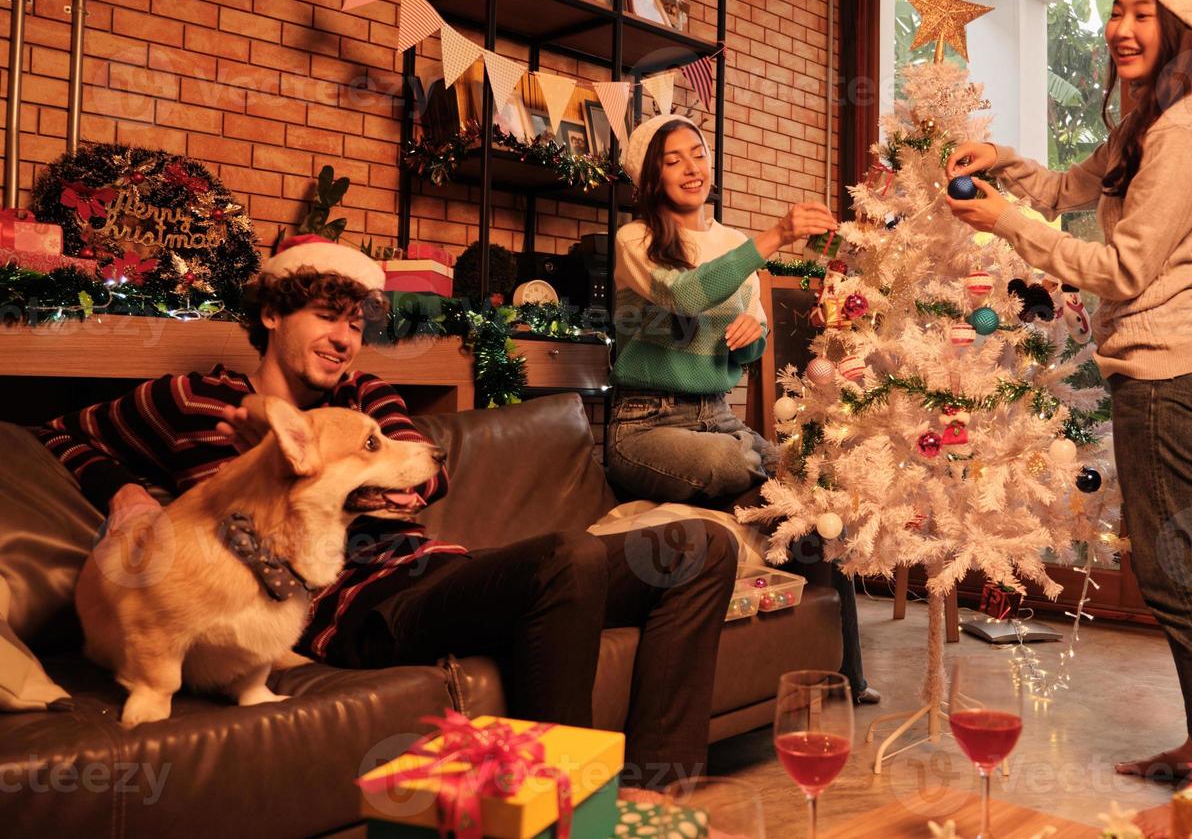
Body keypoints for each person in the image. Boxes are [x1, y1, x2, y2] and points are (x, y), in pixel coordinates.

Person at [34, 236, 736, 786]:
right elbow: (58, 431)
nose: (344, 339)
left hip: (435, 571)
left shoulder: (366, 395)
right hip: (358, 610)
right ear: (272, 313)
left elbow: (427, 471)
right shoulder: (193, 399)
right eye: (326, 317)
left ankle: (654, 791)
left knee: (700, 548)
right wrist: (126, 495)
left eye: (355, 324)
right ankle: (562, 802)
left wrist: (371, 473)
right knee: (569, 557)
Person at [944, 0, 1192, 776]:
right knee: (1171, 565)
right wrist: (1003, 167)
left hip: (1170, 370)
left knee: (1174, 571)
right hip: (1159, 368)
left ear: (1183, 26)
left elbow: (1122, 269)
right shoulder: (1147, 122)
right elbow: (1067, 189)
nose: (1119, 26)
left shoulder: (1185, 132)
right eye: (1117, 9)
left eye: (1141, 12)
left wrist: (1006, 225)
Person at [607, 113, 880, 704]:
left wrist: (753, 330)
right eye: (672, 159)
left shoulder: (734, 245)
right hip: (646, 425)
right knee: (734, 464)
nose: (690, 167)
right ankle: (765, 473)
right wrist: (775, 236)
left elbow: (743, 350)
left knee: (814, 489)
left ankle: (847, 677)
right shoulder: (636, 243)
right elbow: (681, 295)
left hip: (720, 416)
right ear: (650, 176)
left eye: (697, 153)